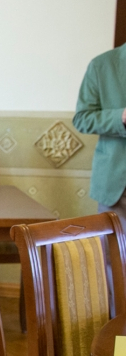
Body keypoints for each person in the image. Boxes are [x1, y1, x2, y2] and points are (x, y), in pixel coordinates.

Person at [73, 44, 126, 224]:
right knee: (114, 252)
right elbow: (82, 118)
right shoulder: (102, 65)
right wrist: (121, 117)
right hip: (117, 185)